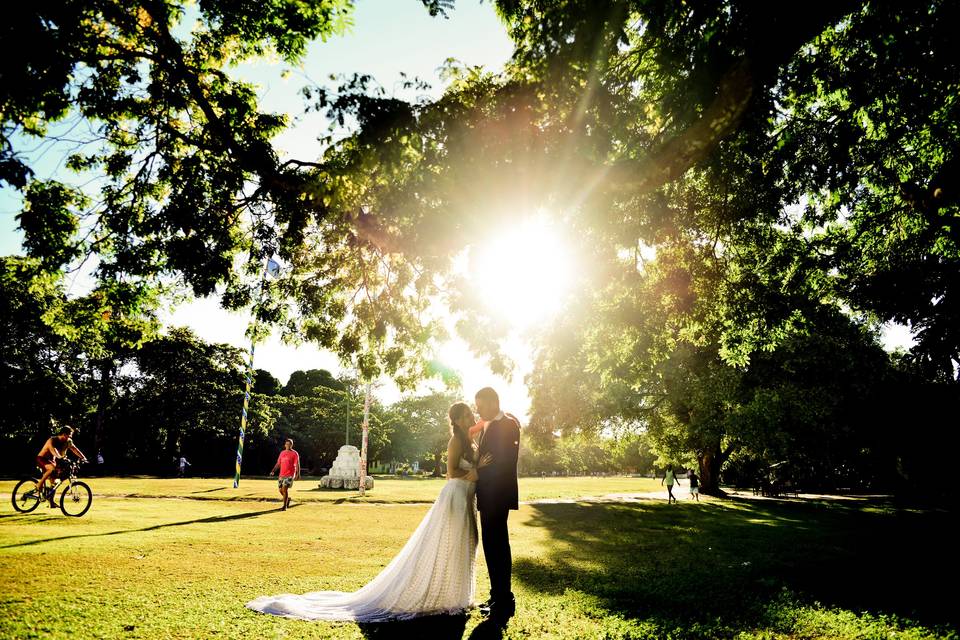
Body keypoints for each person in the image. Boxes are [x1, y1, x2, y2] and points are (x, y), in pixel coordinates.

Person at [247, 402, 491, 621]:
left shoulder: (470, 438)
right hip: (456, 496)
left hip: (468, 497)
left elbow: (483, 426)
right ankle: (451, 599)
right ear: (458, 419)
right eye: (468, 414)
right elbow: (450, 472)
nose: (472, 416)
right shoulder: (456, 440)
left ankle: (459, 596)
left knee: (468, 542)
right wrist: (476, 473)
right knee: (453, 542)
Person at [474, 386, 521, 620]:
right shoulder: (488, 425)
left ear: (493, 403)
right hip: (486, 495)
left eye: (480, 406)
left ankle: (504, 600)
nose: (478, 410)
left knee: (498, 546)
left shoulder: (509, 425)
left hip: (498, 495)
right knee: (491, 545)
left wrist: (478, 469)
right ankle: (496, 595)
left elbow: (503, 463)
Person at [35, 425, 87, 507]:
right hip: (42, 459)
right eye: (69, 435)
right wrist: (61, 457)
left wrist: (83, 458)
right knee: (51, 468)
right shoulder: (52, 440)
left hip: (52, 462)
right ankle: (39, 484)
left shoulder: (68, 441)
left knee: (55, 482)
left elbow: (74, 449)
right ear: (63, 434)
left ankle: (51, 502)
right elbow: (53, 451)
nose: (70, 437)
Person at [269, 439, 300, 511]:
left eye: (289, 444)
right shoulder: (282, 453)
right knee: (280, 490)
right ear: (285, 445)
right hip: (281, 474)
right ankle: (287, 499)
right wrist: (273, 471)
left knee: (284, 488)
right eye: (287, 444)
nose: (288, 445)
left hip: (290, 474)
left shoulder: (295, 453)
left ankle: (284, 506)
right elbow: (278, 463)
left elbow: (297, 464)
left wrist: (298, 474)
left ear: (292, 445)